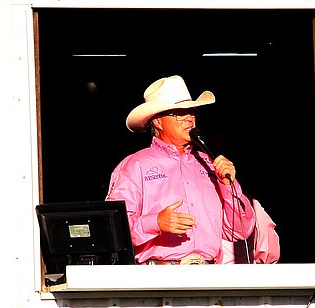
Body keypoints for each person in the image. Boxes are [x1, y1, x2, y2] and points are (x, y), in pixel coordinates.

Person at [105, 74, 260, 265]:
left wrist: (228, 186)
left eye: (192, 112)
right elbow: (111, 231)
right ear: (157, 122)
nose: (189, 118)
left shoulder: (210, 164)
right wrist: (156, 222)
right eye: (179, 113)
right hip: (158, 278)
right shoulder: (134, 166)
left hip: (209, 276)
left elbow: (239, 230)